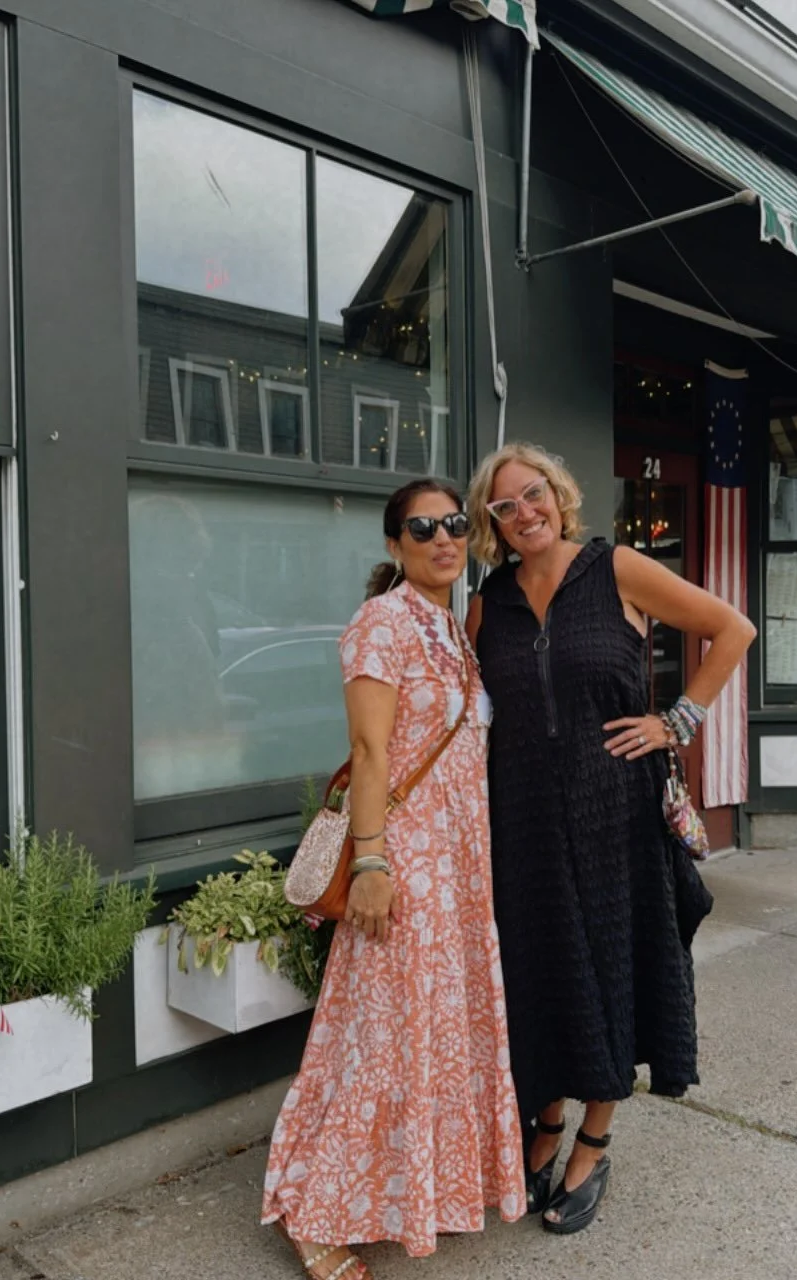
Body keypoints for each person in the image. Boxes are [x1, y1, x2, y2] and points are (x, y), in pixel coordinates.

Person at [465, 443, 756, 1237]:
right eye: (504, 506)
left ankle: (593, 1141)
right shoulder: (490, 601)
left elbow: (732, 629)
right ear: (492, 523)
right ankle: (545, 1120)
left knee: (614, 966)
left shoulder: (616, 568)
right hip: (521, 820)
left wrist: (676, 722)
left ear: (558, 495)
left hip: (615, 813)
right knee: (539, 972)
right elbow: (470, 710)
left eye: (533, 494)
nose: (523, 513)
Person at [263, 479, 525, 1277]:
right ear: (393, 543)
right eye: (422, 527)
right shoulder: (382, 622)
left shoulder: (451, 627)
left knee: (428, 1037)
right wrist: (372, 863)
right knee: (379, 1039)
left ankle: (409, 1193)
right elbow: (370, 750)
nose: (442, 538)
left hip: (459, 869)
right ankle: (315, 1214)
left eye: (454, 524)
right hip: (406, 863)